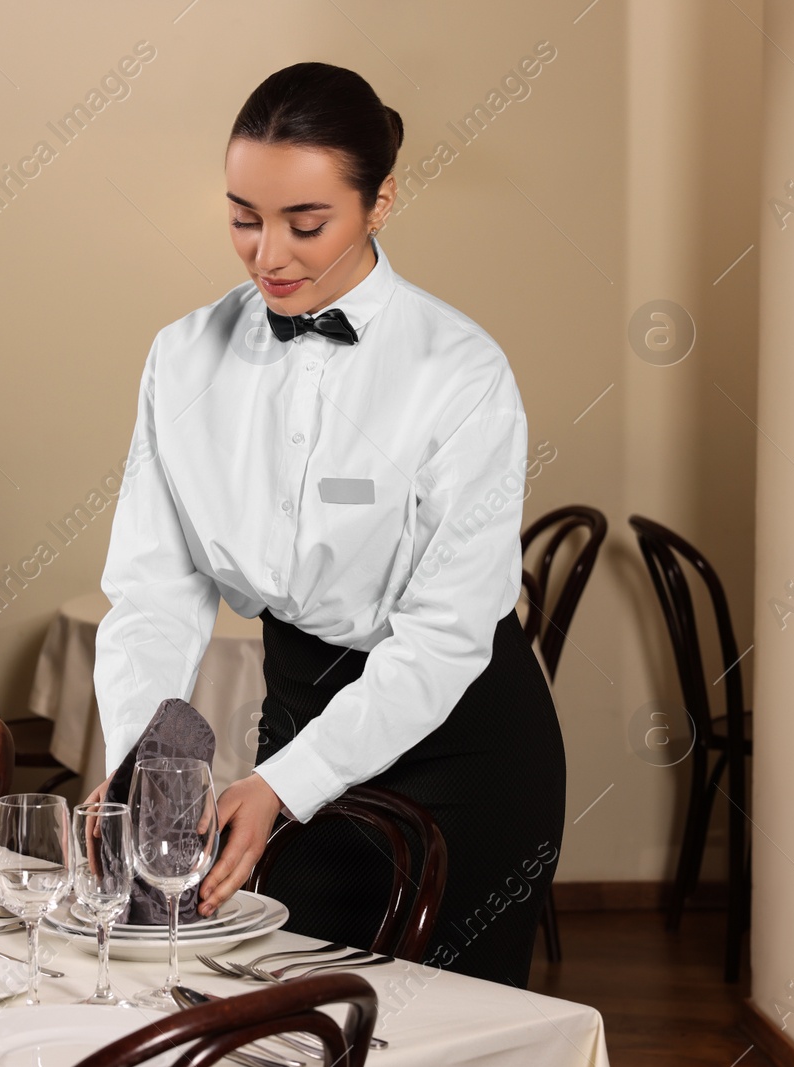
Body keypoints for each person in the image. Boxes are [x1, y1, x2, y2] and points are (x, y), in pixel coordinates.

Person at [87, 61, 565, 987]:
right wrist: (146, 763)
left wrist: (281, 785)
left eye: (307, 225)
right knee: (285, 1013)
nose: (269, 254)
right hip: (301, 705)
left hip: (466, 740)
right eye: (243, 218)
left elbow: (446, 635)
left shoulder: (459, 371)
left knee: (447, 1033)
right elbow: (155, 588)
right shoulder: (181, 360)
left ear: (381, 200)